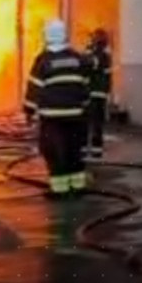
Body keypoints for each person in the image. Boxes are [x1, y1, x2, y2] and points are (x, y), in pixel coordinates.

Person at [23, 19, 92, 199]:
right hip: (76, 116)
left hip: (52, 118)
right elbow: (85, 86)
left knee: (54, 152)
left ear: (47, 36)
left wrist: (28, 111)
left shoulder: (43, 60)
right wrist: (84, 107)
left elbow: (34, 88)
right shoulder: (78, 58)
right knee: (74, 150)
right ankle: (77, 187)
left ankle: (60, 191)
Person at [83, 28, 114, 163]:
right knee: (96, 125)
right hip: (98, 95)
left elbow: (89, 65)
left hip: (92, 94)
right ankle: (95, 153)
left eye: (93, 38)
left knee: (88, 124)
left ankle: (89, 153)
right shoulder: (105, 55)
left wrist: (87, 52)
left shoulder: (99, 55)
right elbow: (108, 78)